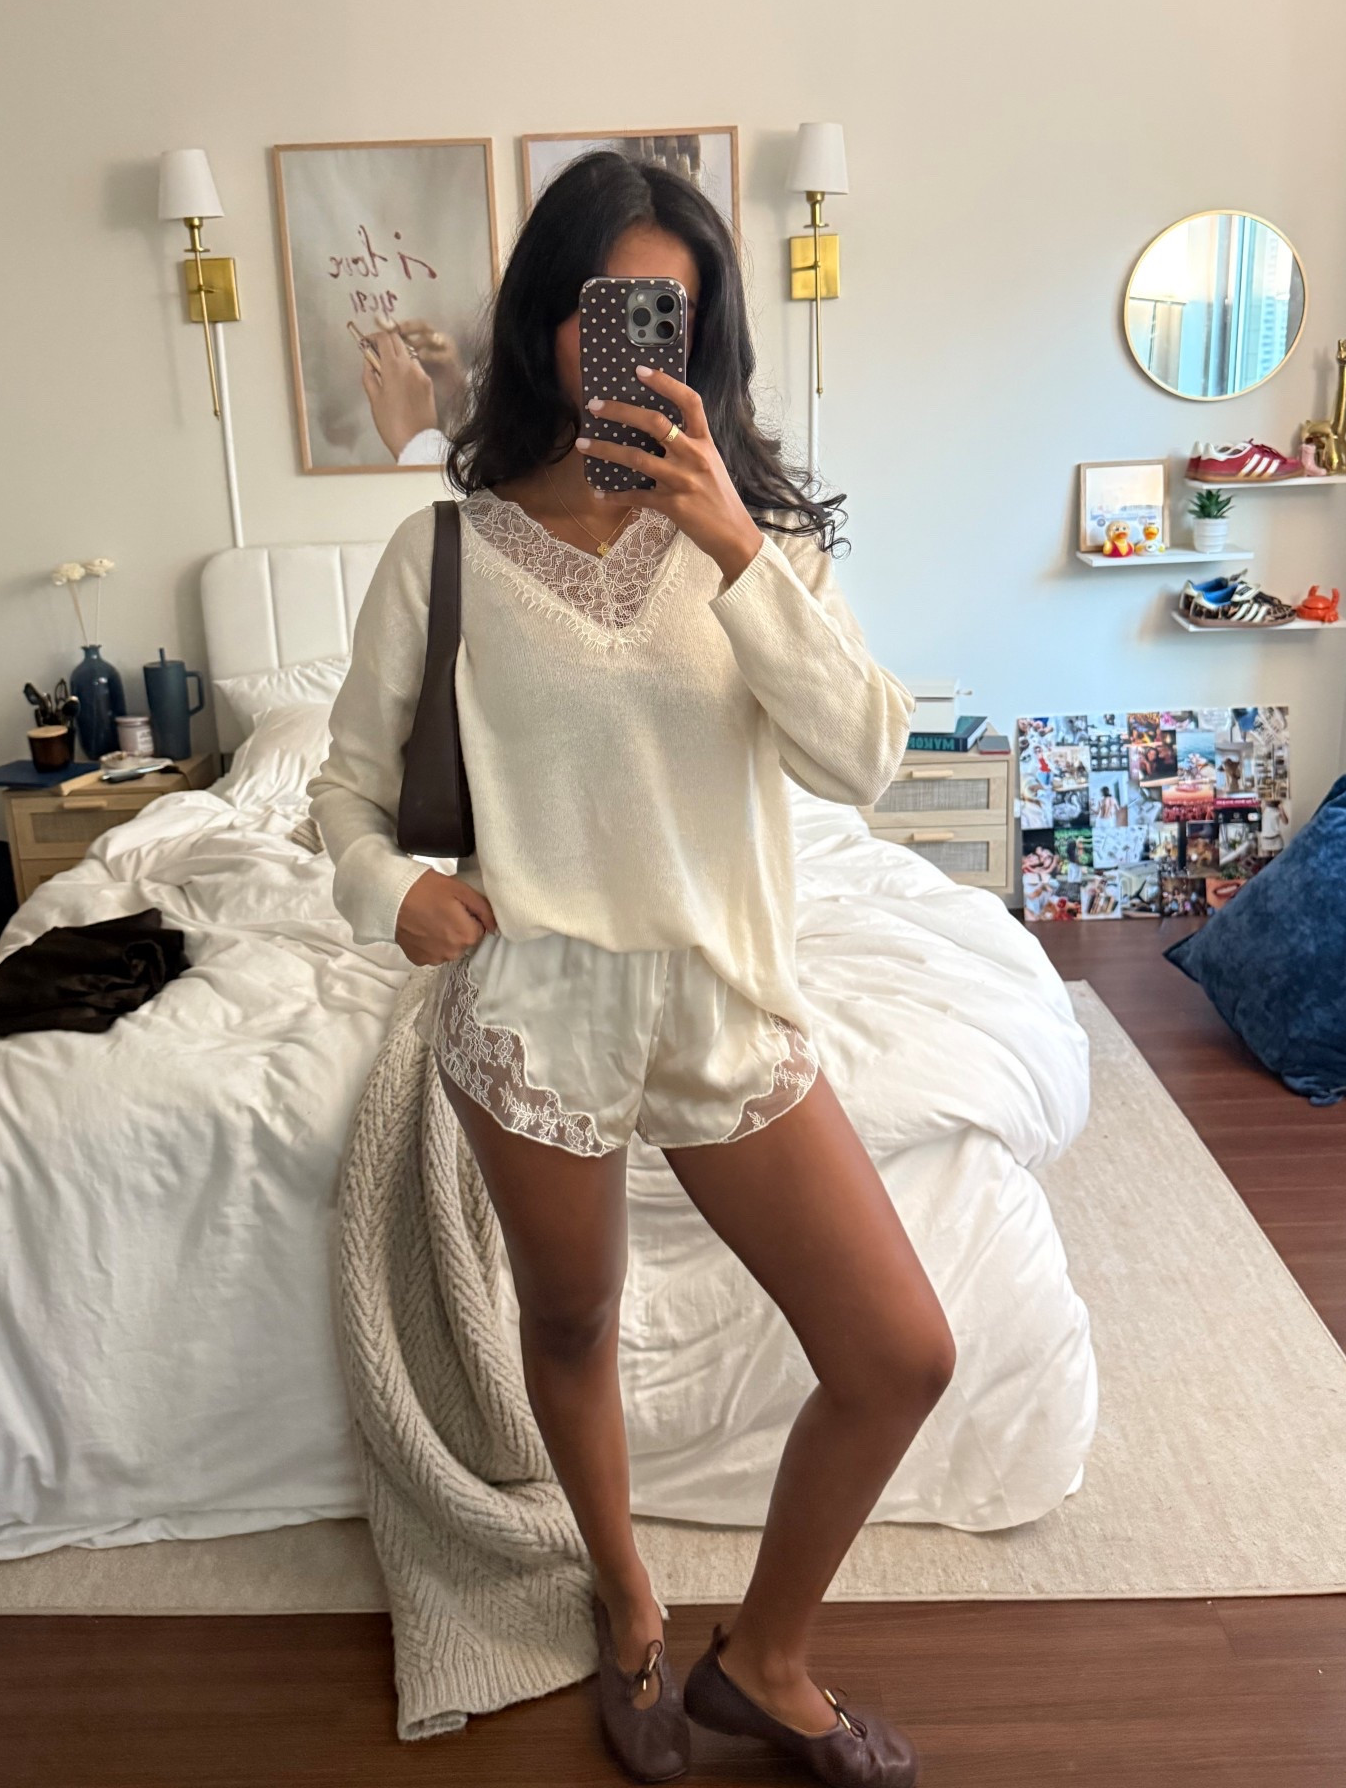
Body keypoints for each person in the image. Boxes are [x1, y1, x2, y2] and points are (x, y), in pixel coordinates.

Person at [307, 150, 945, 1787]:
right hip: (538, 1013)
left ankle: (768, 1661)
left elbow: (866, 760)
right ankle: (633, 1600)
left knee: (898, 1352)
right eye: (609, 308)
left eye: (671, 311)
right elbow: (346, 792)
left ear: (705, 332)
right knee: (572, 1319)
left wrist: (732, 543)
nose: (639, 341)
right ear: (549, 322)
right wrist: (391, 889)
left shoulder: (761, 539)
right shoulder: (444, 554)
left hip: (725, 1001)